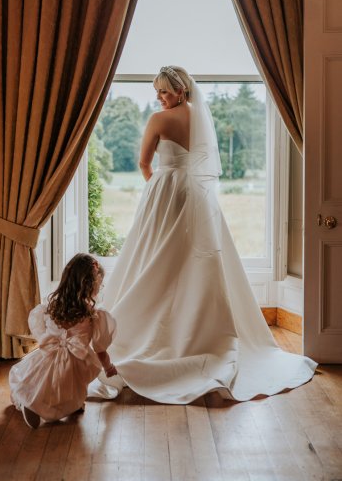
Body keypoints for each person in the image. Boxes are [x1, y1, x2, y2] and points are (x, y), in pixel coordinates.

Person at [93, 65, 317, 404]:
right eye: (157, 92)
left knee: (157, 258)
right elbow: (205, 162)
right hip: (196, 194)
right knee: (192, 261)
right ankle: (194, 328)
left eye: (164, 92)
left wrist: (157, 189)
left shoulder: (157, 119)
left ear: (181, 89)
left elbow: (143, 163)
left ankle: (164, 331)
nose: (159, 98)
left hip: (166, 191)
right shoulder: (200, 115)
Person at [9, 253, 117, 428]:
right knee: (69, 383)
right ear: (90, 285)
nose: (101, 286)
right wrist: (109, 368)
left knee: (40, 381)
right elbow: (100, 349)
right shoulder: (93, 314)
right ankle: (41, 407)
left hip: (47, 356)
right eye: (100, 283)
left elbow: (41, 330)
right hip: (76, 363)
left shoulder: (50, 307)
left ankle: (38, 403)